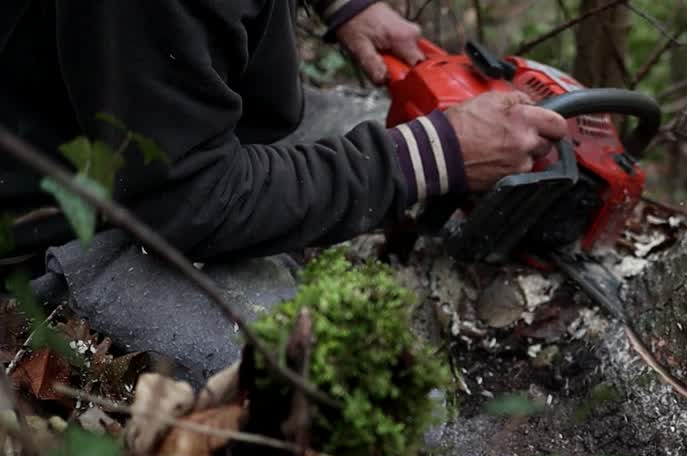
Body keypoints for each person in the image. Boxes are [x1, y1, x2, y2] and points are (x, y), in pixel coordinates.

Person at [0, 0, 568, 379]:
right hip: (71, 218)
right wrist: (436, 154)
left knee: (383, 119)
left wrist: (342, 5)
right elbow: (192, 201)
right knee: (356, 386)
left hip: (200, 125)